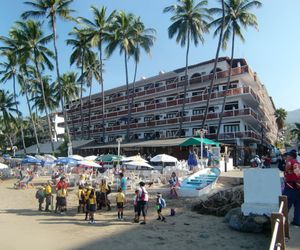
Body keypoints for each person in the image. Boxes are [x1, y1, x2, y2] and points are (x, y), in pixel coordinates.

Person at [281, 150, 300, 226]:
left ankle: (282, 223)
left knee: (285, 205)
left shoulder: (290, 162)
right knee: (298, 205)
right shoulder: (297, 163)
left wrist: (284, 167)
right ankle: (297, 221)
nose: (286, 157)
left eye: (287, 156)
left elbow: (287, 168)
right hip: (298, 187)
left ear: (291, 156)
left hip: (291, 187)